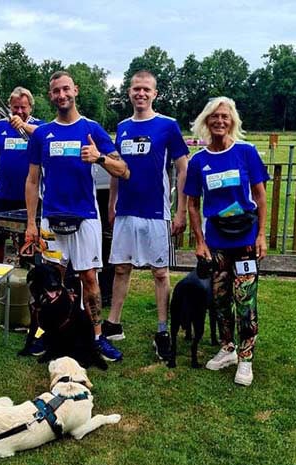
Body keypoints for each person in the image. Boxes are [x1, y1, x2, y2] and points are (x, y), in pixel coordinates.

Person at [25, 71, 130, 362]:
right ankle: (49, 332)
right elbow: (32, 181)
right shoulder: (42, 134)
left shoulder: (92, 129)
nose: (61, 95)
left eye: (66, 89)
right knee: (51, 280)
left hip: (85, 217)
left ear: (76, 91)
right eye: (56, 91)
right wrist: (31, 224)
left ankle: (97, 336)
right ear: (51, 96)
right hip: (51, 219)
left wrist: (99, 157)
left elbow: (124, 170)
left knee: (89, 278)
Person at [101, 70, 189, 362]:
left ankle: (162, 330)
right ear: (129, 92)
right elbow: (116, 166)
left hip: (155, 212)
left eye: (146, 89)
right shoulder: (122, 126)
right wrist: (112, 202)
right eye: (136, 88)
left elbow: (182, 168)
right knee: (122, 268)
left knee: (160, 272)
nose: (141, 93)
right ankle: (112, 324)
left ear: (155, 93)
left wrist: (180, 210)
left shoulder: (168, 126)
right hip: (126, 210)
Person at [184, 96, 269, 386]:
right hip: (216, 241)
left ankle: (246, 359)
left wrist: (261, 235)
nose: (220, 121)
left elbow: (259, 195)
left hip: (245, 240)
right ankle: (228, 348)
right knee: (219, 300)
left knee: (245, 301)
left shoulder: (246, 152)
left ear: (232, 121)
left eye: (225, 117)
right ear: (206, 122)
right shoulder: (199, 161)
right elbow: (192, 204)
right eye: (214, 117)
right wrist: (199, 241)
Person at [0, 87, 43, 263]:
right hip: (4, 194)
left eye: (23, 107)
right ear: (9, 107)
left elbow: (45, 137)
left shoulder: (40, 126)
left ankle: (28, 279)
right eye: (15, 108)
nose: (19, 111)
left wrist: (24, 126)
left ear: (30, 107)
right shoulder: (0, 127)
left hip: (30, 197)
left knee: (28, 240)